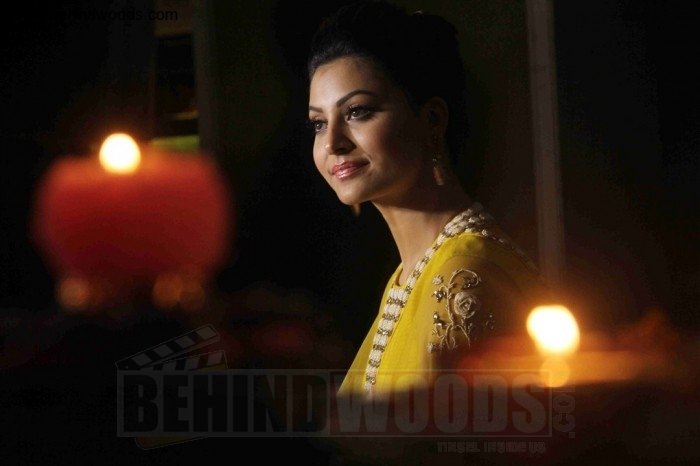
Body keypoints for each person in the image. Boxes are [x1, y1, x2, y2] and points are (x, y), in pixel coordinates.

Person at [306, 0, 551, 401]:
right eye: (319, 123)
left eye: (358, 111)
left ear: (432, 119)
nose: (332, 142)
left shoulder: (464, 276)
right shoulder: (413, 274)